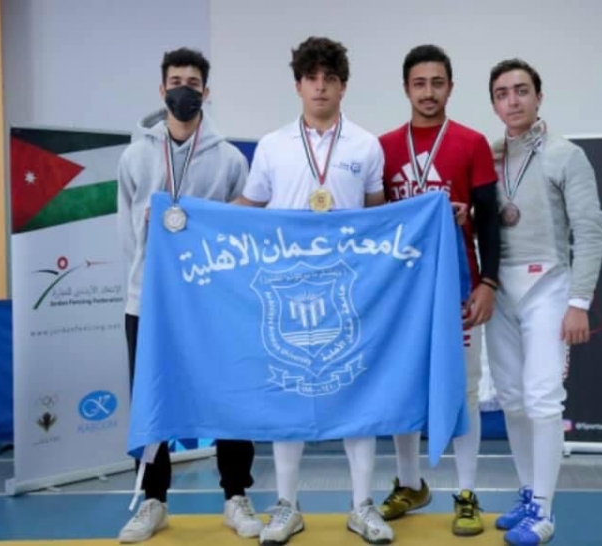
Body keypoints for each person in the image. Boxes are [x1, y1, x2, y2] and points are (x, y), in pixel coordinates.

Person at [234, 36, 393, 546]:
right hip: (286, 291)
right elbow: (247, 210)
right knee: (288, 396)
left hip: (349, 291)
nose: (320, 86)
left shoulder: (366, 145)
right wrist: (187, 220)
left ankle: (362, 505)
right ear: (298, 85)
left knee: (357, 394)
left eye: (330, 78)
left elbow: (378, 218)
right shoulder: (272, 145)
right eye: (311, 78)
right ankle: (287, 506)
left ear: (343, 86)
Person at [116, 47, 263, 543]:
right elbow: (127, 235)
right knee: (150, 397)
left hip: (212, 303)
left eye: (193, 83)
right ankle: (153, 500)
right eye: (176, 82)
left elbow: (240, 230)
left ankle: (236, 495)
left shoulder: (229, 159)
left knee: (229, 393)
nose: (184, 90)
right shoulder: (135, 156)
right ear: (162, 90)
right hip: (149, 300)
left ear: (206, 91)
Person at [376, 44, 501, 537]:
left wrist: (487, 282)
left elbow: (490, 222)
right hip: (402, 294)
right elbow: (374, 222)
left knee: (464, 388)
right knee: (402, 386)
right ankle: (410, 484)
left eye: (437, 83)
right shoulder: (383, 147)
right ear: (406, 88)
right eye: (419, 83)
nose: (428, 92)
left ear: (450, 87)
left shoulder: (472, 143)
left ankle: (466, 491)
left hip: (457, 288)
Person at [485, 58, 602, 545]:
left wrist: (579, 301)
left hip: (549, 287)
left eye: (521, 91)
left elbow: (590, 231)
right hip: (500, 290)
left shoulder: (566, 155)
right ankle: (528, 491)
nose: (512, 101)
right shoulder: (489, 156)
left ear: (538, 96)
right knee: (512, 399)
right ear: (494, 103)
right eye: (502, 93)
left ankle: (545, 510)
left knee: (541, 398)